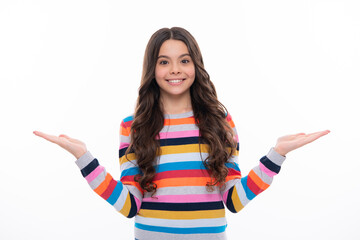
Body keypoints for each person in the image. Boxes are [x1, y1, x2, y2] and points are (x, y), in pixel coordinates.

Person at [33, 27, 330, 240]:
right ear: (153, 68)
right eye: (164, 61)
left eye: (184, 60)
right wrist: (83, 157)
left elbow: (235, 200)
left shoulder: (219, 121)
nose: (175, 69)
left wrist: (276, 154)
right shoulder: (133, 126)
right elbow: (128, 205)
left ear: (195, 65)